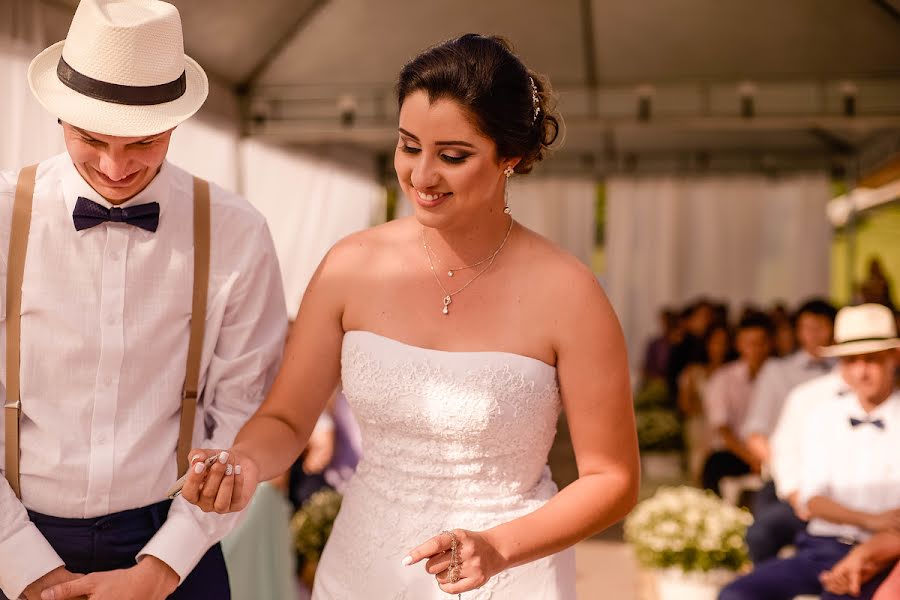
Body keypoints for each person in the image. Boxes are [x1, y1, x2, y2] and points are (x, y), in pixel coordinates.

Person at [181, 33, 639, 599]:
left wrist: (498, 548)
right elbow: (287, 420)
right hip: (363, 567)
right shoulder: (352, 265)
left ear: (510, 157)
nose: (421, 176)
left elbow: (612, 479)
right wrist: (246, 462)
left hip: (510, 574)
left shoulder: (570, 293)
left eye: (453, 156)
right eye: (408, 146)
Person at [0, 2, 287, 599]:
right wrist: (24, 565)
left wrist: (161, 568)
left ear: (176, 124)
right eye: (91, 139)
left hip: (173, 546)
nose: (114, 166)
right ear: (58, 115)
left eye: (143, 143)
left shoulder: (237, 231)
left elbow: (240, 411)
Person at [719, 303, 900, 600]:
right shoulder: (822, 416)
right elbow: (812, 499)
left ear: (894, 357)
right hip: (821, 547)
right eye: (851, 360)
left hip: (885, 554)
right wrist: (871, 519)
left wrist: (873, 542)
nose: (861, 371)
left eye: (872, 360)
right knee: (736, 594)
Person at [742, 299, 837, 563]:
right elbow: (755, 435)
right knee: (760, 536)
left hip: (841, 485)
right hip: (788, 480)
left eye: (821, 327)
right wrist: (790, 478)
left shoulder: (850, 375)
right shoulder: (779, 373)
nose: (814, 334)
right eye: (807, 327)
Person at [701, 313, 773, 495]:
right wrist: (751, 458)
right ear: (739, 344)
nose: (755, 349)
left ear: (770, 344)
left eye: (760, 342)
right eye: (749, 343)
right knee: (715, 463)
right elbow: (722, 428)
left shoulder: (780, 376)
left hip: (774, 451)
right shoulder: (723, 379)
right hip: (738, 453)